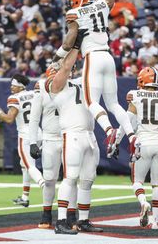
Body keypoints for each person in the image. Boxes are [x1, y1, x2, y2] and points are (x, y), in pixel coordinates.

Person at [53, 0, 137, 156]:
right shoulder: (101, 4)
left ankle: (109, 131)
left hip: (93, 57)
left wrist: (57, 56)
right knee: (114, 104)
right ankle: (131, 136)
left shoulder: (74, 14)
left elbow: (69, 43)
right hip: (108, 56)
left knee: (91, 102)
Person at [114, 67, 158, 229]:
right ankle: (156, 222)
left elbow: (126, 123)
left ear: (144, 80)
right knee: (157, 184)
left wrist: (116, 142)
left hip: (143, 142)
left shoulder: (135, 95)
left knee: (137, 181)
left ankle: (144, 202)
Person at [46, 43, 103, 235]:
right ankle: (61, 221)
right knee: (70, 178)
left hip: (89, 135)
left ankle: (84, 220)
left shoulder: (81, 81)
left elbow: (94, 69)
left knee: (88, 180)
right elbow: (66, 68)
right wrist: (77, 45)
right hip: (72, 135)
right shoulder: (52, 87)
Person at [28, 68, 77, 229]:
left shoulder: (73, 87)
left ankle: (71, 215)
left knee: (71, 178)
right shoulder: (42, 87)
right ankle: (46, 213)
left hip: (69, 137)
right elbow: (34, 118)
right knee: (49, 179)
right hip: (50, 138)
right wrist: (33, 142)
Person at [0, 74, 44, 207]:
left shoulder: (14, 98)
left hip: (26, 136)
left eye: (14, 85)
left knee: (30, 166)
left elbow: (9, 119)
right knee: (24, 165)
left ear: (20, 86)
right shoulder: (32, 93)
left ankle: (45, 187)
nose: (11, 87)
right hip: (38, 133)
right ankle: (25, 197)